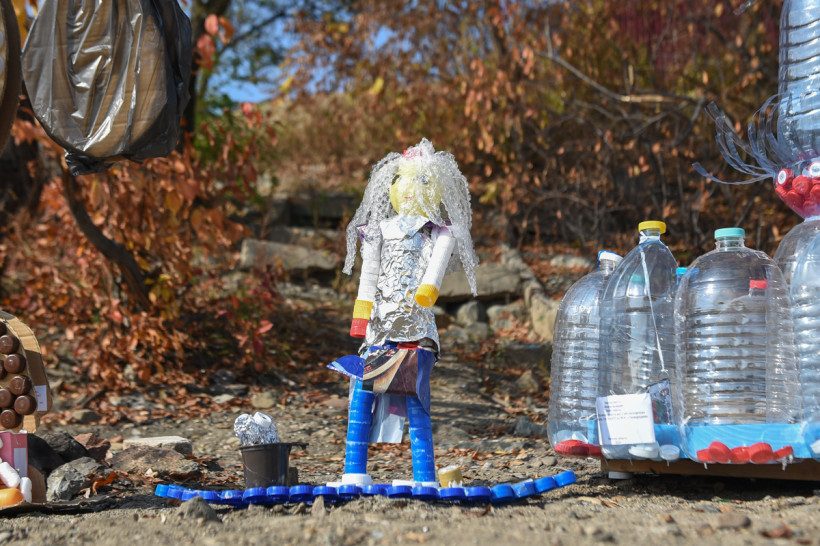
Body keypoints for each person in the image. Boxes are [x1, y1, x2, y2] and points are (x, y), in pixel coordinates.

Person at [328, 138, 478, 486]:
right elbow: (369, 274)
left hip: (416, 330)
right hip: (379, 331)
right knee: (363, 391)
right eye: (402, 181)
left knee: (415, 395)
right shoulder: (378, 231)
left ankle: (424, 475)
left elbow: (436, 265)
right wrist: (361, 314)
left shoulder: (438, 232)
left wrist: (429, 288)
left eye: (421, 182)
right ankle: (354, 471)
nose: (409, 190)